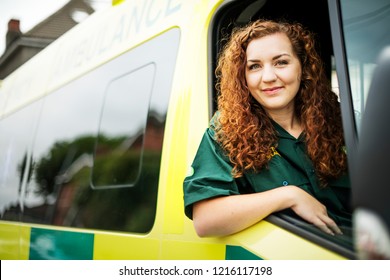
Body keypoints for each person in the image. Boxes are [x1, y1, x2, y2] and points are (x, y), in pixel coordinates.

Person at [183, 19, 351, 238]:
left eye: (281, 62)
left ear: (303, 66)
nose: (269, 77)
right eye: (254, 67)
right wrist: (289, 196)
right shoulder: (226, 131)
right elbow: (206, 221)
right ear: (243, 77)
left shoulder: (340, 121)